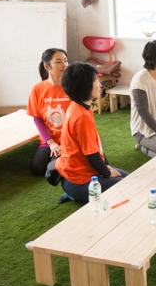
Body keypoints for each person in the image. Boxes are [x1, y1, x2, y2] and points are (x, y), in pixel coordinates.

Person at [56, 62, 129, 204]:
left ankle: (75, 193)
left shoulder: (78, 106)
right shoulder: (82, 116)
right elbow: (92, 155)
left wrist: (107, 167)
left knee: (131, 179)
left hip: (74, 176)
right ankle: (76, 195)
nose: (99, 84)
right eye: (95, 81)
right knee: (128, 186)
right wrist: (107, 173)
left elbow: (95, 148)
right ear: (84, 86)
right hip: (79, 182)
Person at [27, 48, 71, 176]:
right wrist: (51, 143)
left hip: (70, 139)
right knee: (37, 168)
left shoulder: (73, 87)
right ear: (46, 66)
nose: (64, 65)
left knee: (54, 169)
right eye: (58, 62)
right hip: (49, 140)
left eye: (65, 61)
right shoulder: (37, 89)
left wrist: (66, 142)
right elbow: (37, 119)